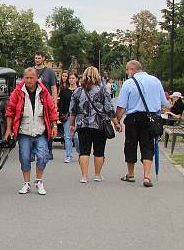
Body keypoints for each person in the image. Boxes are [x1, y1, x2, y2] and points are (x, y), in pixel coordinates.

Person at [4, 67, 59, 195]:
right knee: (24, 157)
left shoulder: (43, 92)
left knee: (43, 156)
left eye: (31, 78)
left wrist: (54, 126)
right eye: (26, 78)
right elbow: (10, 111)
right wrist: (8, 129)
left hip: (40, 132)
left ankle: (39, 181)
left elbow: (51, 110)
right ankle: (27, 184)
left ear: (36, 78)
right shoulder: (18, 92)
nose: (28, 80)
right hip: (24, 132)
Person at [114, 60, 168, 188]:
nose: (127, 73)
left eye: (127, 70)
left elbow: (121, 106)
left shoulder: (128, 83)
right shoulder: (155, 81)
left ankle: (130, 173)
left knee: (130, 145)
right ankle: (147, 176)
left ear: (132, 69)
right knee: (148, 146)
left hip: (133, 118)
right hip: (151, 118)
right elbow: (163, 102)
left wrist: (117, 121)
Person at [69, 66, 118, 183]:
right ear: (97, 76)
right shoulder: (102, 90)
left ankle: (84, 176)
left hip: (83, 125)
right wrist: (116, 123)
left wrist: (72, 124)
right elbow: (109, 108)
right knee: (99, 150)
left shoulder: (77, 91)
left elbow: (72, 110)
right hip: (99, 124)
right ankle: (97, 174)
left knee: (84, 150)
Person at [58, 72, 80, 163]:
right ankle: (68, 156)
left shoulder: (80, 90)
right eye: (70, 78)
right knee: (67, 136)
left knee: (77, 137)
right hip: (67, 116)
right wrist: (61, 115)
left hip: (78, 116)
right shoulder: (64, 91)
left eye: (73, 78)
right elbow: (61, 104)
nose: (71, 80)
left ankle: (80, 153)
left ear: (77, 79)